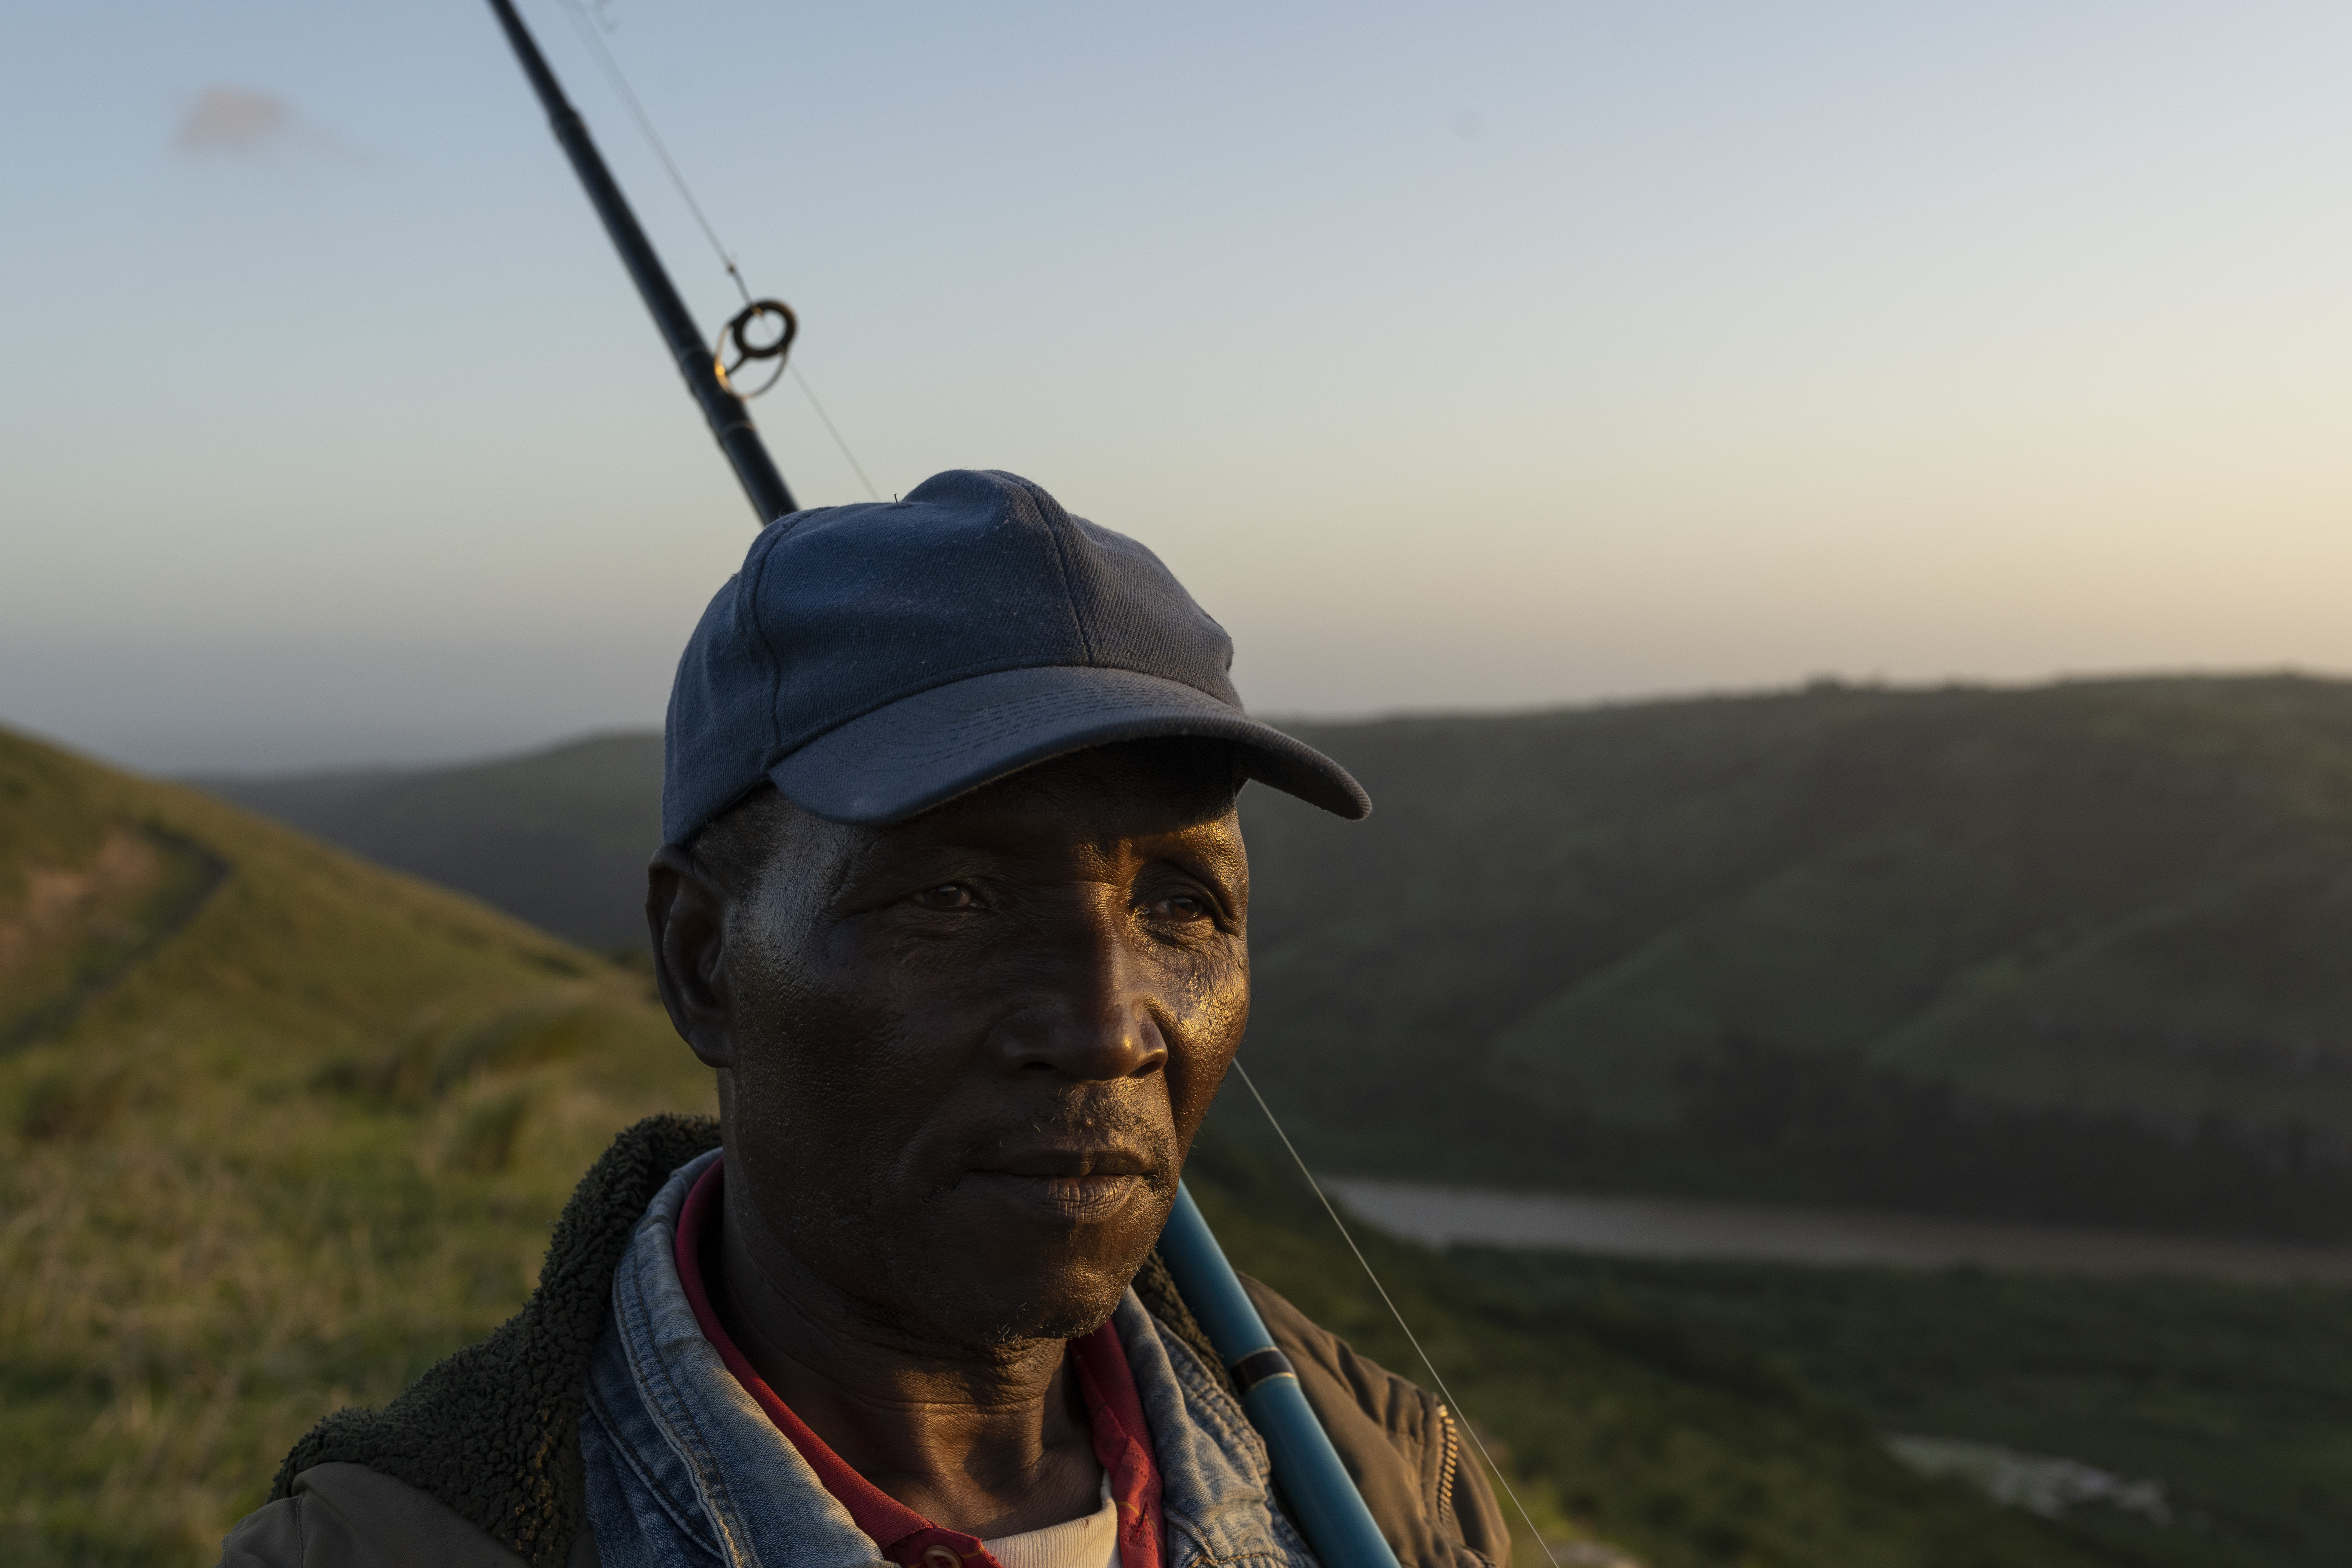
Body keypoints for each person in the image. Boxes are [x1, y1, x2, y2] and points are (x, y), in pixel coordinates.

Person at [220, 470, 1510, 1568]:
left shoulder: (1391, 1473)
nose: (1107, 1025)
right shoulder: (384, 1544)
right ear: (702, 962)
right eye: (951, 898)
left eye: (1180, 905)